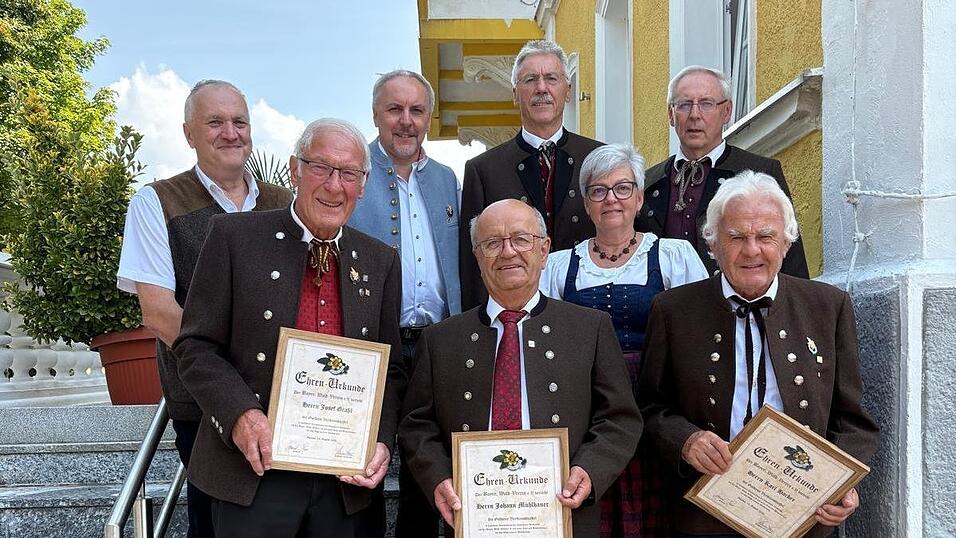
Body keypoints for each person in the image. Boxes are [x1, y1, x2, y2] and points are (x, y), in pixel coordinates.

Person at [173, 118, 405, 537]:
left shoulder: (380, 260)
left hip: (343, 484)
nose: (335, 186)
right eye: (321, 167)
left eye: (349, 173)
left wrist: (381, 439)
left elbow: (391, 368)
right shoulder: (233, 237)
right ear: (295, 170)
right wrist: (240, 413)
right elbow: (195, 347)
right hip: (254, 472)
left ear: (363, 183)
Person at [638, 170, 879, 537]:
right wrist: (685, 441)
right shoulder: (673, 310)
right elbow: (649, 407)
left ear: (785, 243)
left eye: (766, 236)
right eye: (736, 237)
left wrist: (842, 480)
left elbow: (852, 419)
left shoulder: (827, 307)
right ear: (713, 244)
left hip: (802, 513)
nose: (752, 250)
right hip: (705, 512)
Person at [400, 198, 642, 537]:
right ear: (477, 257)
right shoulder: (440, 339)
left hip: (564, 514)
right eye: (492, 243)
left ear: (544, 250)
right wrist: (438, 476)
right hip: (473, 515)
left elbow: (620, 418)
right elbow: (416, 424)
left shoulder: (590, 328)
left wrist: (590, 469)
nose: (507, 251)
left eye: (520, 239)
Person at [116, 79, 292, 538]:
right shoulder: (156, 202)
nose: (230, 132)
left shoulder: (285, 203)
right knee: (216, 523)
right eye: (214, 122)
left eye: (239, 121)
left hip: (287, 404)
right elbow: (158, 312)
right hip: (203, 407)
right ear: (188, 133)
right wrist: (234, 385)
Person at [539, 143, 708, 537]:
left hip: (654, 400)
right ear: (585, 202)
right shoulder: (560, 264)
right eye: (598, 190)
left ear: (640, 196)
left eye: (622, 188)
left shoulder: (673, 255)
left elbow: (698, 335)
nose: (610, 198)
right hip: (587, 406)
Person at [348, 68, 460, 538]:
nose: (406, 120)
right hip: (371, 343)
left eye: (416, 110)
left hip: (437, 344)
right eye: (395, 109)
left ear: (429, 118)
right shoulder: (352, 174)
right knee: (361, 467)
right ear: (376, 114)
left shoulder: (447, 180)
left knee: (426, 468)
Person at [459, 39, 604, 310]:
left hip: (587, 307)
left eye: (551, 78)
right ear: (515, 93)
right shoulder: (483, 169)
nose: (541, 88)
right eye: (530, 80)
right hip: (514, 312)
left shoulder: (597, 158)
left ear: (568, 91)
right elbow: (473, 264)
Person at [636, 66, 809, 278]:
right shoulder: (648, 182)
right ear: (671, 115)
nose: (694, 115)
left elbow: (790, 258)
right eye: (684, 105)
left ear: (726, 111)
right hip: (664, 308)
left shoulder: (760, 171)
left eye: (706, 104)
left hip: (735, 306)